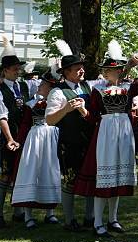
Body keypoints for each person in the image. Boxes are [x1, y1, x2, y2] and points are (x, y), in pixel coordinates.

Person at [73, 41, 138, 237]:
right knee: (103, 178)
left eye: (116, 69)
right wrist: (83, 111)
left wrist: (137, 65)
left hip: (123, 131)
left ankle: (113, 219)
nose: (113, 72)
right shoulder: (97, 89)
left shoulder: (130, 87)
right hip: (105, 132)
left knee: (118, 177)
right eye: (110, 70)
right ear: (105, 72)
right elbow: (93, 117)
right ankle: (98, 222)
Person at [45, 40, 105, 232]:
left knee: (91, 179)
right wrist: (66, 108)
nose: (82, 71)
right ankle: (69, 220)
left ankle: (90, 217)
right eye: (77, 68)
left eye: (81, 67)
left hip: (88, 141)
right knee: (70, 181)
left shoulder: (88, 87)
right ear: (66, 72)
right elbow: (49, 120)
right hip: (69, 142)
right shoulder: (57, 92)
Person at [11, 66, 62, 229]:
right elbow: (25, 124)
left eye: (43, 85)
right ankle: (28, 215)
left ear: (50, 87)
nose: (40, 87)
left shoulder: (58, 101)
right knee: (31, 173)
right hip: (34, 140)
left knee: (50, 172)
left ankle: (50, 213)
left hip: (51, 138)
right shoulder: (32, 104)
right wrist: (19, 141)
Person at [0, 36, 32, 228]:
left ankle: (18, 211)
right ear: (5, 71)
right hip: (9, 137)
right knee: (6, 175)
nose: (18, 71)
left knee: (20, 173)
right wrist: (9, 139)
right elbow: (2, 117)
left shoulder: (23, 86)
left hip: (24, 135)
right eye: (15, 68)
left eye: (19, 68)